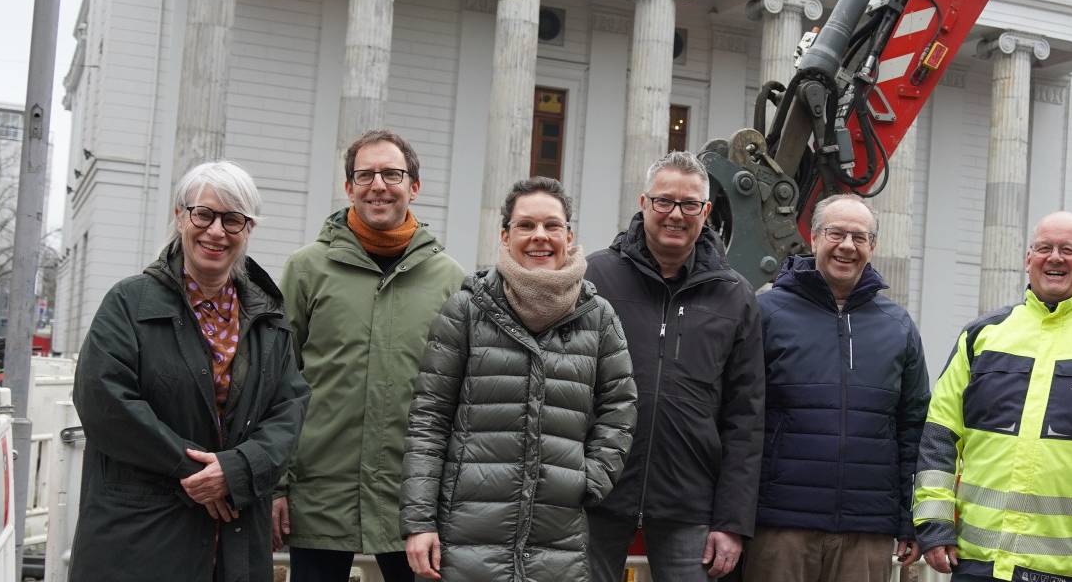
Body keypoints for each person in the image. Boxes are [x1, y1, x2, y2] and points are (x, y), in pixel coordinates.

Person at [70, 161, 309, 582]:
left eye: (233, 219)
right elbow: (104, 400)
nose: (216, 231)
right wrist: (198, 471)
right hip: (141, 535)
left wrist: (235, 471)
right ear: (180, 217)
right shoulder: (129, 303)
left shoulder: (268, 317)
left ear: (248, 229)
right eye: (204, 214)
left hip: (233, 539)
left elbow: (289, 409)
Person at [914, 211, 1072, 582]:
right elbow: (939, 437)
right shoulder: (980, 337)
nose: (1054, 257)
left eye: (1068, 249)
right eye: (1044, 248)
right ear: (1028, 259)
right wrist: (933, 523)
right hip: (978, 564)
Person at [400, 177, 637, 581]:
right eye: (526, 225)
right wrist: (420, 522)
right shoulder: (466, 310)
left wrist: (590, 478)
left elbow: (620, 407)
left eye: (552, 225)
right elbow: (429, 420)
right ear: (506, 235)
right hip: (468, 531)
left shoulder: (597, 317)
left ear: (569, 235)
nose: (539, 237)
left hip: (558, 533)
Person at [275, 130, 467, 582]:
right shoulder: (306, 269)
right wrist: (275, 485)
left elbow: (462, 395)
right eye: (365, 174)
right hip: (318, 493)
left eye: (392, 173)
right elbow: (278, 380)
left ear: (414, 186)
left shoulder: (450, 278)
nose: (378, 184)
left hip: (410, 501)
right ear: (349, 187)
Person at [585, 151, 764, 582]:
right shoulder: (595, 278)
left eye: (689, 205)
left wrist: (732, 522)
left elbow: (746, 417)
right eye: (664, 201)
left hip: (689, 502)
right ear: (644, 203)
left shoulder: (735, 296)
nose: (675, 215)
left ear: (706, 212)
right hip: (596, 492)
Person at [748, 194, 928, 582]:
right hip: (781, 525)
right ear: (813, 239)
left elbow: (913, 429)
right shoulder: (767, 314)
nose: (848, 246)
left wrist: (910, 520)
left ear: (873, 247)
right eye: (836, 233)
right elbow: (740, 419)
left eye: (860, 237)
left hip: (866, 532)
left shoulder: (897, 326)